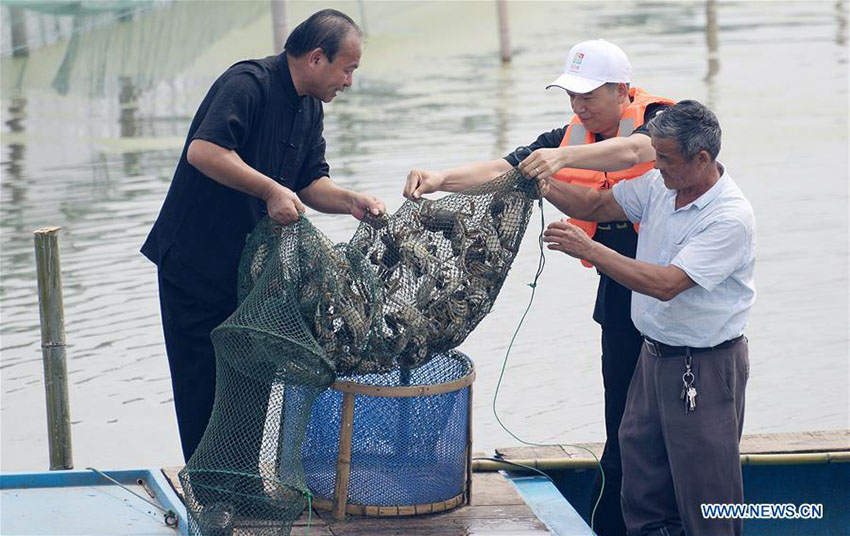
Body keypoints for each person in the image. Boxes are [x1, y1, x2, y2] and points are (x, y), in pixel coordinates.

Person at [404, 39, 673, 535]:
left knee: (667, 421)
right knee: (620, 418)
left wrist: (560, 158)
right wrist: (440, 178)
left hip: (670, 288)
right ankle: (615, 521)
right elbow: (503, 170)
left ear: (621, 90)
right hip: (618, 287)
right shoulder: (565, 137)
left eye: (588, 95)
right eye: (571, 96)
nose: (578, 106)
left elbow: (641, 149)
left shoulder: (658, 118)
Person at [141, 9, 385, 463]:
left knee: (251, 384)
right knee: (203, 386)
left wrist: (350, 201)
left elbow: (310, 182)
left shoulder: (309, 106)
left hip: (252, 274)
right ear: (317, 58)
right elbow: (204, 151)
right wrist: (271, 190)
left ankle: (241, 482)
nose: (349, 82)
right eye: (347, 69)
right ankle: (209, 489)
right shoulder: (249, 83)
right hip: (197, 264)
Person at [542, 100, 755, 536]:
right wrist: (543, 183)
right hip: (652, 357)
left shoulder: (729, 217)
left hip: (704, 367)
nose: (656, 165)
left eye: (666, 158)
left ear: (701, 158)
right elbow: (597, 204)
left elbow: (666, 283)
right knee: (640, 485)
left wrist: (590, 250)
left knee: (706, 498)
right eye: (655, 155)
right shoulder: (660, 185)